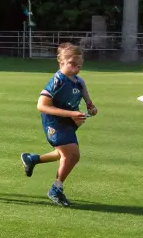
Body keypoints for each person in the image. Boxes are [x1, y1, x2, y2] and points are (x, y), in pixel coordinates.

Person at [21, 43, 97, 207]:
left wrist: (91, 106)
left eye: (79, 66)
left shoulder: (79, 81)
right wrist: (72, 114)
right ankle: (56, 189)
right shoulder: (57, 80)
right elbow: (41, 106)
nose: (76, 68)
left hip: (69, 121)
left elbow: (86, 97)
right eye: (72, 64)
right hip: (54, 122)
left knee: (65, 153)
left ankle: (32, 159)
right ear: (61, 62)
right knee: (72, 155)